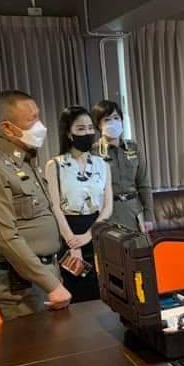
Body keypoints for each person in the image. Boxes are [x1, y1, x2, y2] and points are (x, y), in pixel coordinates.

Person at [0, 90, 71, 320]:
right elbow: (5, 237)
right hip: (20, 288)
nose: (40, 126)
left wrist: (53, 275)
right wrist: (50, 283)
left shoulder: (24, 159)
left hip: (42, 276)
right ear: (7, 128)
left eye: (38, 116)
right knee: (31, 343)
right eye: (32, 120)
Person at [45, 105, 113, 302]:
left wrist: (89, 235)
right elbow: (55, 207)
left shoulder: (103, 164)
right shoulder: (55, 165)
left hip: (96, 230)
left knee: (100, 290)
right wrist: (72, 241)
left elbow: (107, 207)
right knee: (75, 290)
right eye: (81, 129)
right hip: (69, 231)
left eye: (90, 128)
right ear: (69, 133)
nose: (88, 133)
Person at [91, 100, 155, 233]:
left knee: (139, 246)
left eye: (116, 118)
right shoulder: (93, 152)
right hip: (107, 213)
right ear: (98, 125)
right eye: (107, 119)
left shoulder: (133, 147)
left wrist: (149, 215)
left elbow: (144, 184)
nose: (113, 122)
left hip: (134, 212)